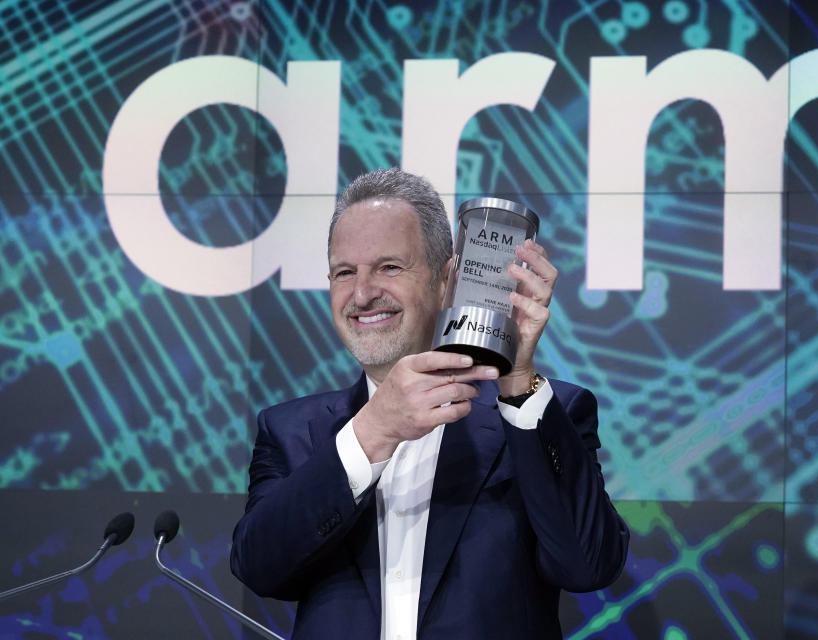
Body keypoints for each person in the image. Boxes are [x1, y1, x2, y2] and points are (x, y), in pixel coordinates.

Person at [230, 168, 628, 640]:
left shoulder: (539, 413)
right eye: (344, 273)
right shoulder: (292, 430)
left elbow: (588, 565)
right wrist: (372, 432)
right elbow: (258, 568)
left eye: (389, 267)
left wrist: (518, 381)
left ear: (447, 281)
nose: (362, 293)